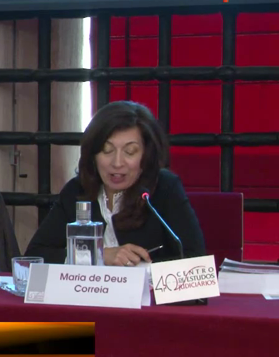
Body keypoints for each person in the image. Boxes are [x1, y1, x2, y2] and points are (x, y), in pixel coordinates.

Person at [26, 101, 205, 266]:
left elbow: (194, 260)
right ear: (93, 154)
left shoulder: (165, 188)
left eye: (130, 151)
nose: (117, 163)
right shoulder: (78, 190)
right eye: (107, 150)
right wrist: (98, 255)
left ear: (146, 155)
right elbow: (35, 255)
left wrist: (141, 269)